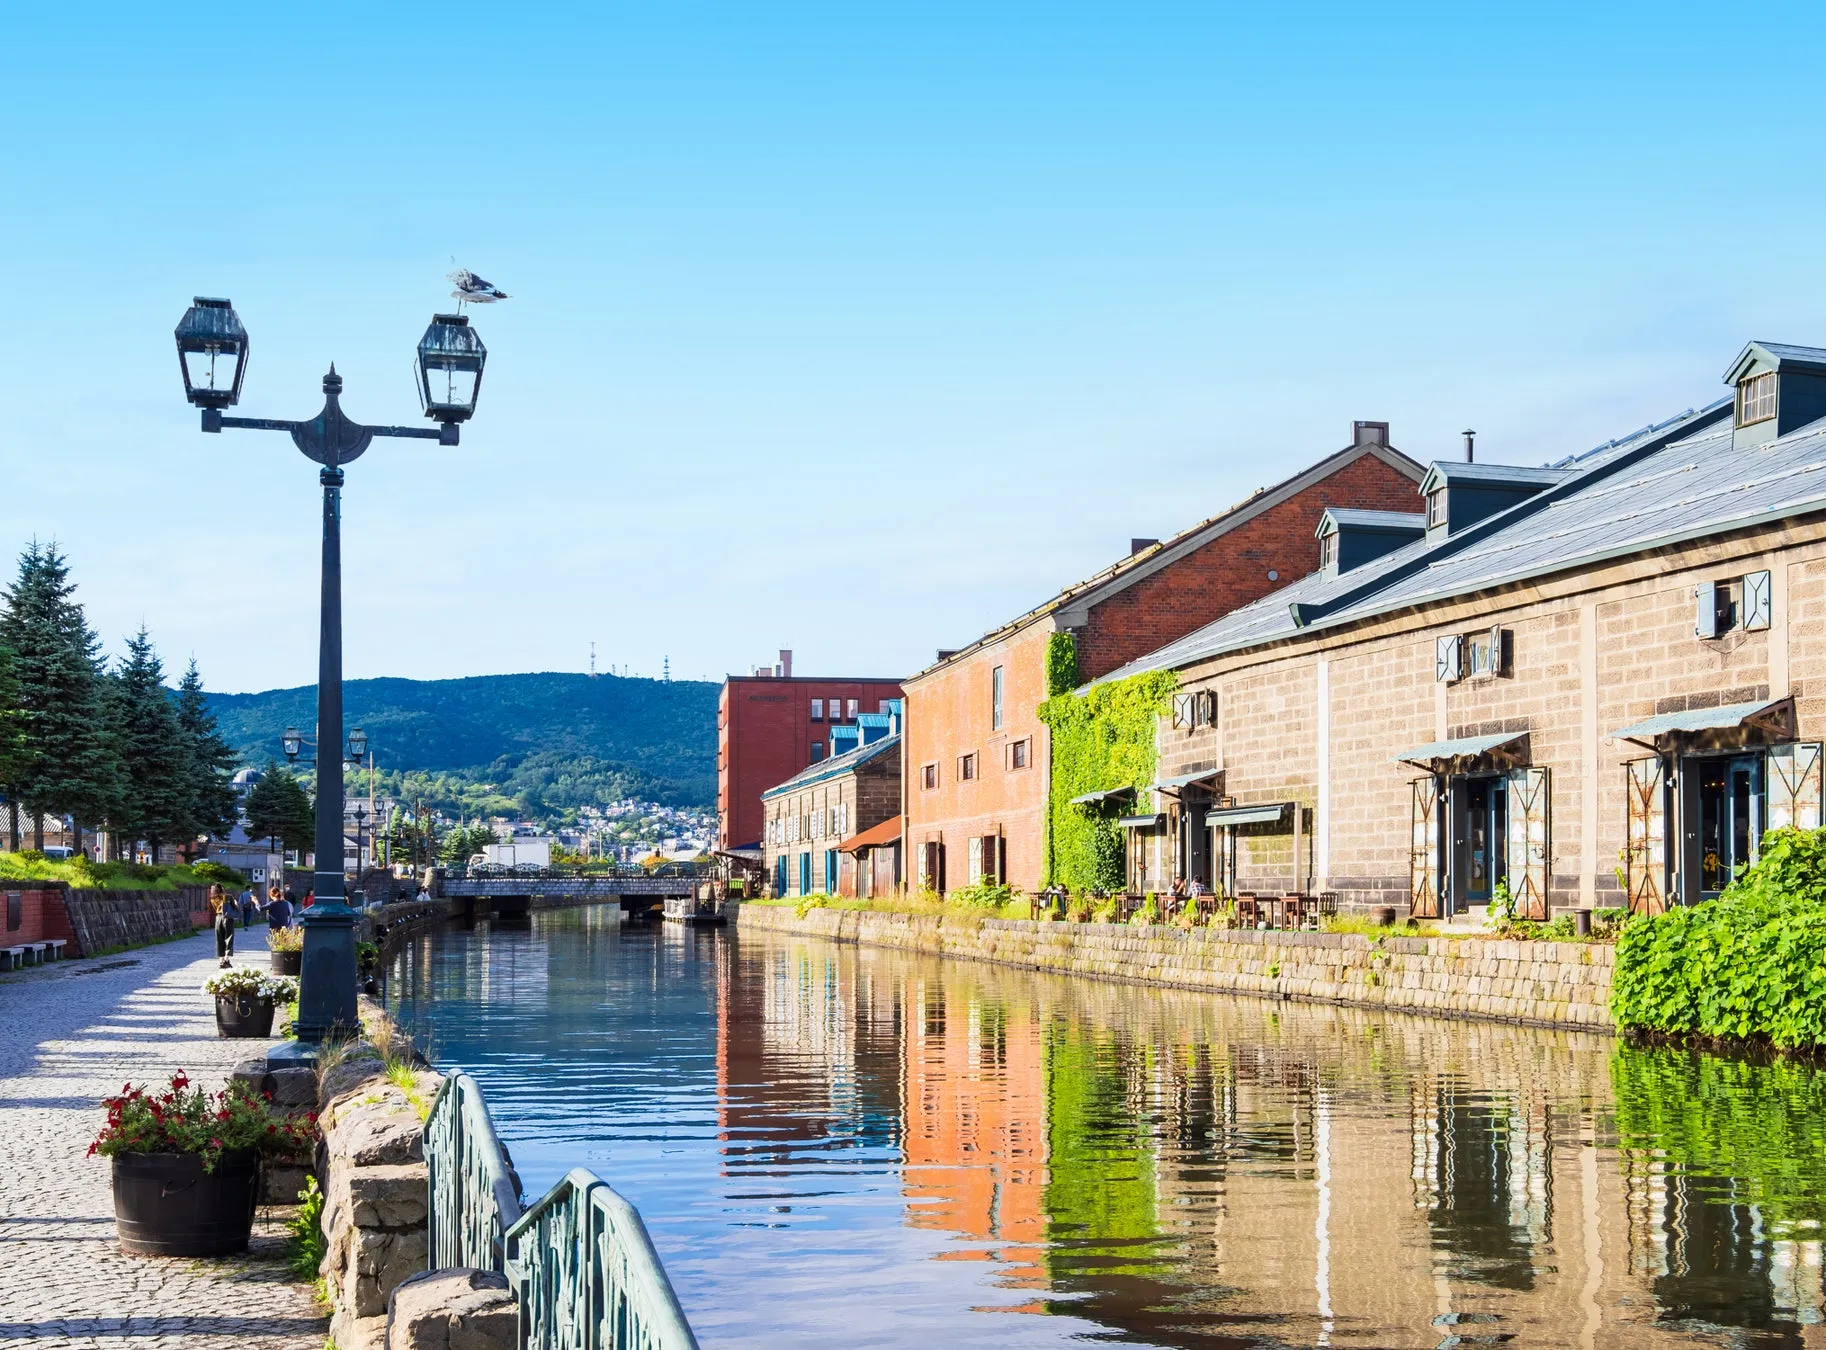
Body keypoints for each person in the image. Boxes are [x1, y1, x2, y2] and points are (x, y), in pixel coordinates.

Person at [209, 884, 235, 967]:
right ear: (221, 889)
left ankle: (221, 960)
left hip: (218, 918)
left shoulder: (212, 899)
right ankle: (226, 960)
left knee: (219, 939)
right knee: (229, 938)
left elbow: (215, 908)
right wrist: (235, 903)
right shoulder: (228, 896)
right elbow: (235, 908)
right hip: (228, 918)